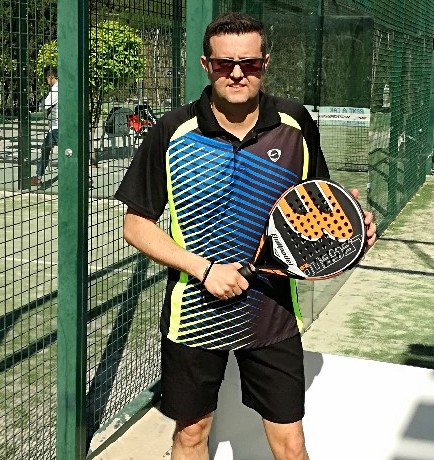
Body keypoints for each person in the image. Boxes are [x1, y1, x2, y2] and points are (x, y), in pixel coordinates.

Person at [115, 12, 377, 460]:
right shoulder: (172, 131)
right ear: (206, 65)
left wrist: (349, 233)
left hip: (273, 314)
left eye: (249, 63)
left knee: (291, 444)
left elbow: (318, 206)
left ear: (265, 64)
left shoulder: (295, 124)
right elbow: (136, 225)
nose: (237, 73)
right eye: (224, 63)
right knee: (191, 435)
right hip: (194, 315)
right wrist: (204, 270)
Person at [31, 67, 59, 186]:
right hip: (55, 128)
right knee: (45, 149)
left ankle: (38, 177)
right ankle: (38, 177)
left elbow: (45, 105)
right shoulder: (60, 88)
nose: (46, 81)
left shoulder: (56, 90)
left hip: (57, 127)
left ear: (50, 77)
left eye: (46, 78)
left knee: (46, 150)